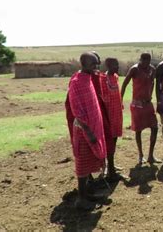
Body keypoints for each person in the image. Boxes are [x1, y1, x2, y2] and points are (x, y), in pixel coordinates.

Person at [65, 52, 107, 210]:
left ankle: (86, 194)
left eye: (97, 63)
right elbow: (76, 109)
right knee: (82, 165)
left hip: (92, 128)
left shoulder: (87, 78)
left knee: (89, 163)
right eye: (93, 64)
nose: (96, 67)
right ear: (83, 63)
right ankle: (81, 200)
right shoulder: (76, 82)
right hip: (83, 130)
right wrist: (88, 130)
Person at [121, 53, 159, 164]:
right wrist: (120, 100)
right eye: (145, 60)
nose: (147, 63)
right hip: (137, 105)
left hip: (148, 104)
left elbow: (152, 82)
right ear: (140, 60)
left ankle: (150, 155)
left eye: (149, 61)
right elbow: (124, 84)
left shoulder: (152, 69)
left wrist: (150, 95)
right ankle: (141, 155)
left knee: (155, 127)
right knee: (138, 131)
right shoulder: (134, 69)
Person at [99, 58, 123, 181]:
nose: (117, 67)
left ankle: (111, 165)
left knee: (114, 141)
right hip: (108, 116)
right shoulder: (102, 79)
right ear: (108, 65)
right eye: (115, 65)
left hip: (116, 114)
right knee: (108, 141)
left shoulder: (116, 77)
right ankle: (107, 167)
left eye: (118, 65)